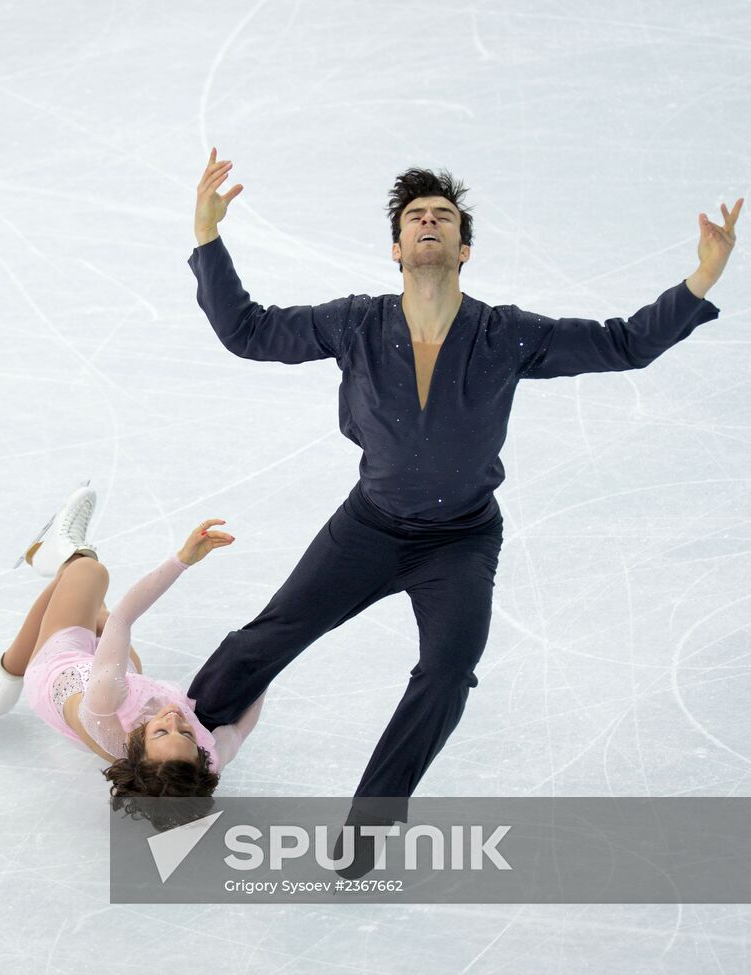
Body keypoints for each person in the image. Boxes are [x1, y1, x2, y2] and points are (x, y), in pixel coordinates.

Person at [186, 146, 743, 877]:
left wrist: (702, 274)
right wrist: (206, 237)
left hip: (461, 542)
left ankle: (364, 836)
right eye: (415, 216)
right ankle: (171, 738)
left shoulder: (505, 333)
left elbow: (623, 343)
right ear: (395, 247)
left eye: (442, 217)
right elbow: (248, 332)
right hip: (371, 526)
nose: (427, 222)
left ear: (463, 248)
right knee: (270, 636)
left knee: (448, 675)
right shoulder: (355, 322)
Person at [0, 485, 266, 798]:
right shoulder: (201, 764)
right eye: (188, 735)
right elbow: (238, 730)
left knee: (90, 572)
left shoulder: (106, 698)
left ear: (138, 750)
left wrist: (182, 560)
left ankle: (56, 568)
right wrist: (270, 659)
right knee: (98, 616)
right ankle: (7, 679)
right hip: (116, 686)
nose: (175, 719)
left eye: (162, 731)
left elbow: (124, 618)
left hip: (61, 670)